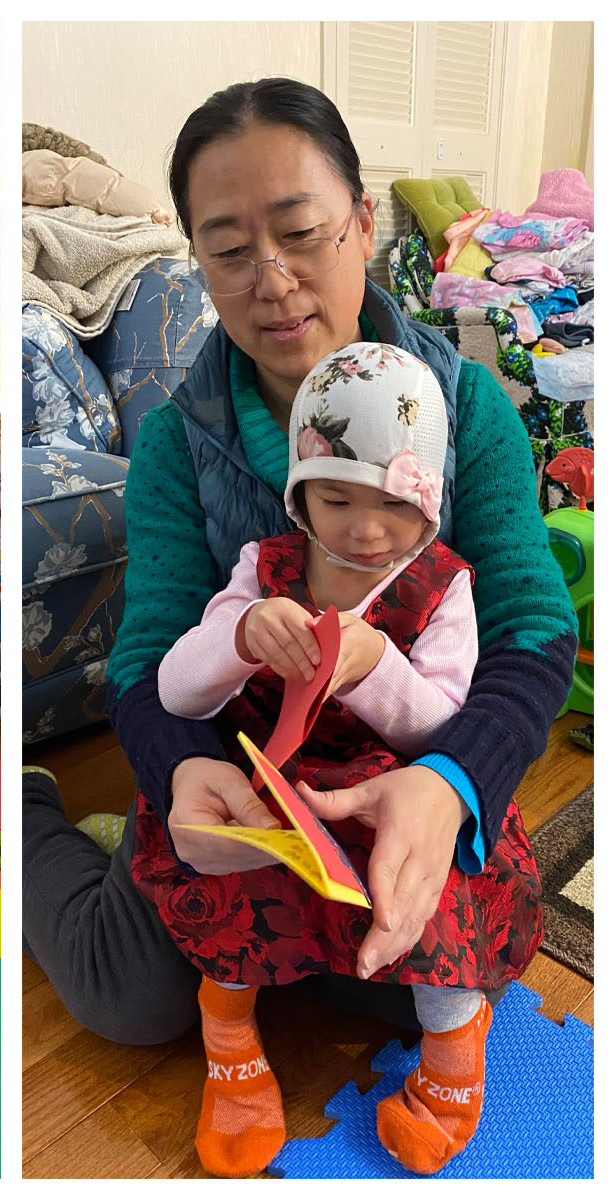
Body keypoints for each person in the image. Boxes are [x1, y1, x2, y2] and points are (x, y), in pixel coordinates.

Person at [22, 77, 574, 1052]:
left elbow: (536, 632)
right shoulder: (177, 446)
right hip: (249, 779)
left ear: (363, 224)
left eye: (302, 233)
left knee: (420, 983)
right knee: (129, 1000)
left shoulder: (467, 410)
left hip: (407, 766)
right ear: (196, 259)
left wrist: (450, 782)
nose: (271, 279)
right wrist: (182, 770)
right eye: (230, 252)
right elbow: (149, 662)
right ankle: (29, 811)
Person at [132, 342, 541, 1176]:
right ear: (299, 496)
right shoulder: (263, 568)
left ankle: (454, 1055)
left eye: (391, 504)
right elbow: (175, 691)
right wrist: (239, 637)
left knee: (434, 891)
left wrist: (376, 667)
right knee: (228, 871)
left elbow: (439, 729)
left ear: (428, 508)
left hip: (397, 786)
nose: (362, 527)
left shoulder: (445, 589)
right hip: (271, 783)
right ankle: (231, 1041)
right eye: (335, 497)